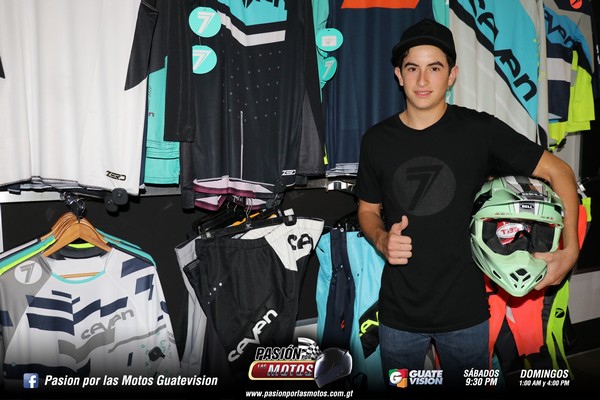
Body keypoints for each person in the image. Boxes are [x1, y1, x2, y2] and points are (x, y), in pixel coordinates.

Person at [354, 18, 580, 391]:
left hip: (466, 314)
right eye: (412, 68)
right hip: (398, 315)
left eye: (434, 68)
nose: (422, 80)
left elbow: (560, 172)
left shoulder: (479, 131)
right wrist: (381, 239)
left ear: (452, 75)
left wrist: (570, 249)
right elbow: (367, 209)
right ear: (398, 75)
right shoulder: (376, 140)